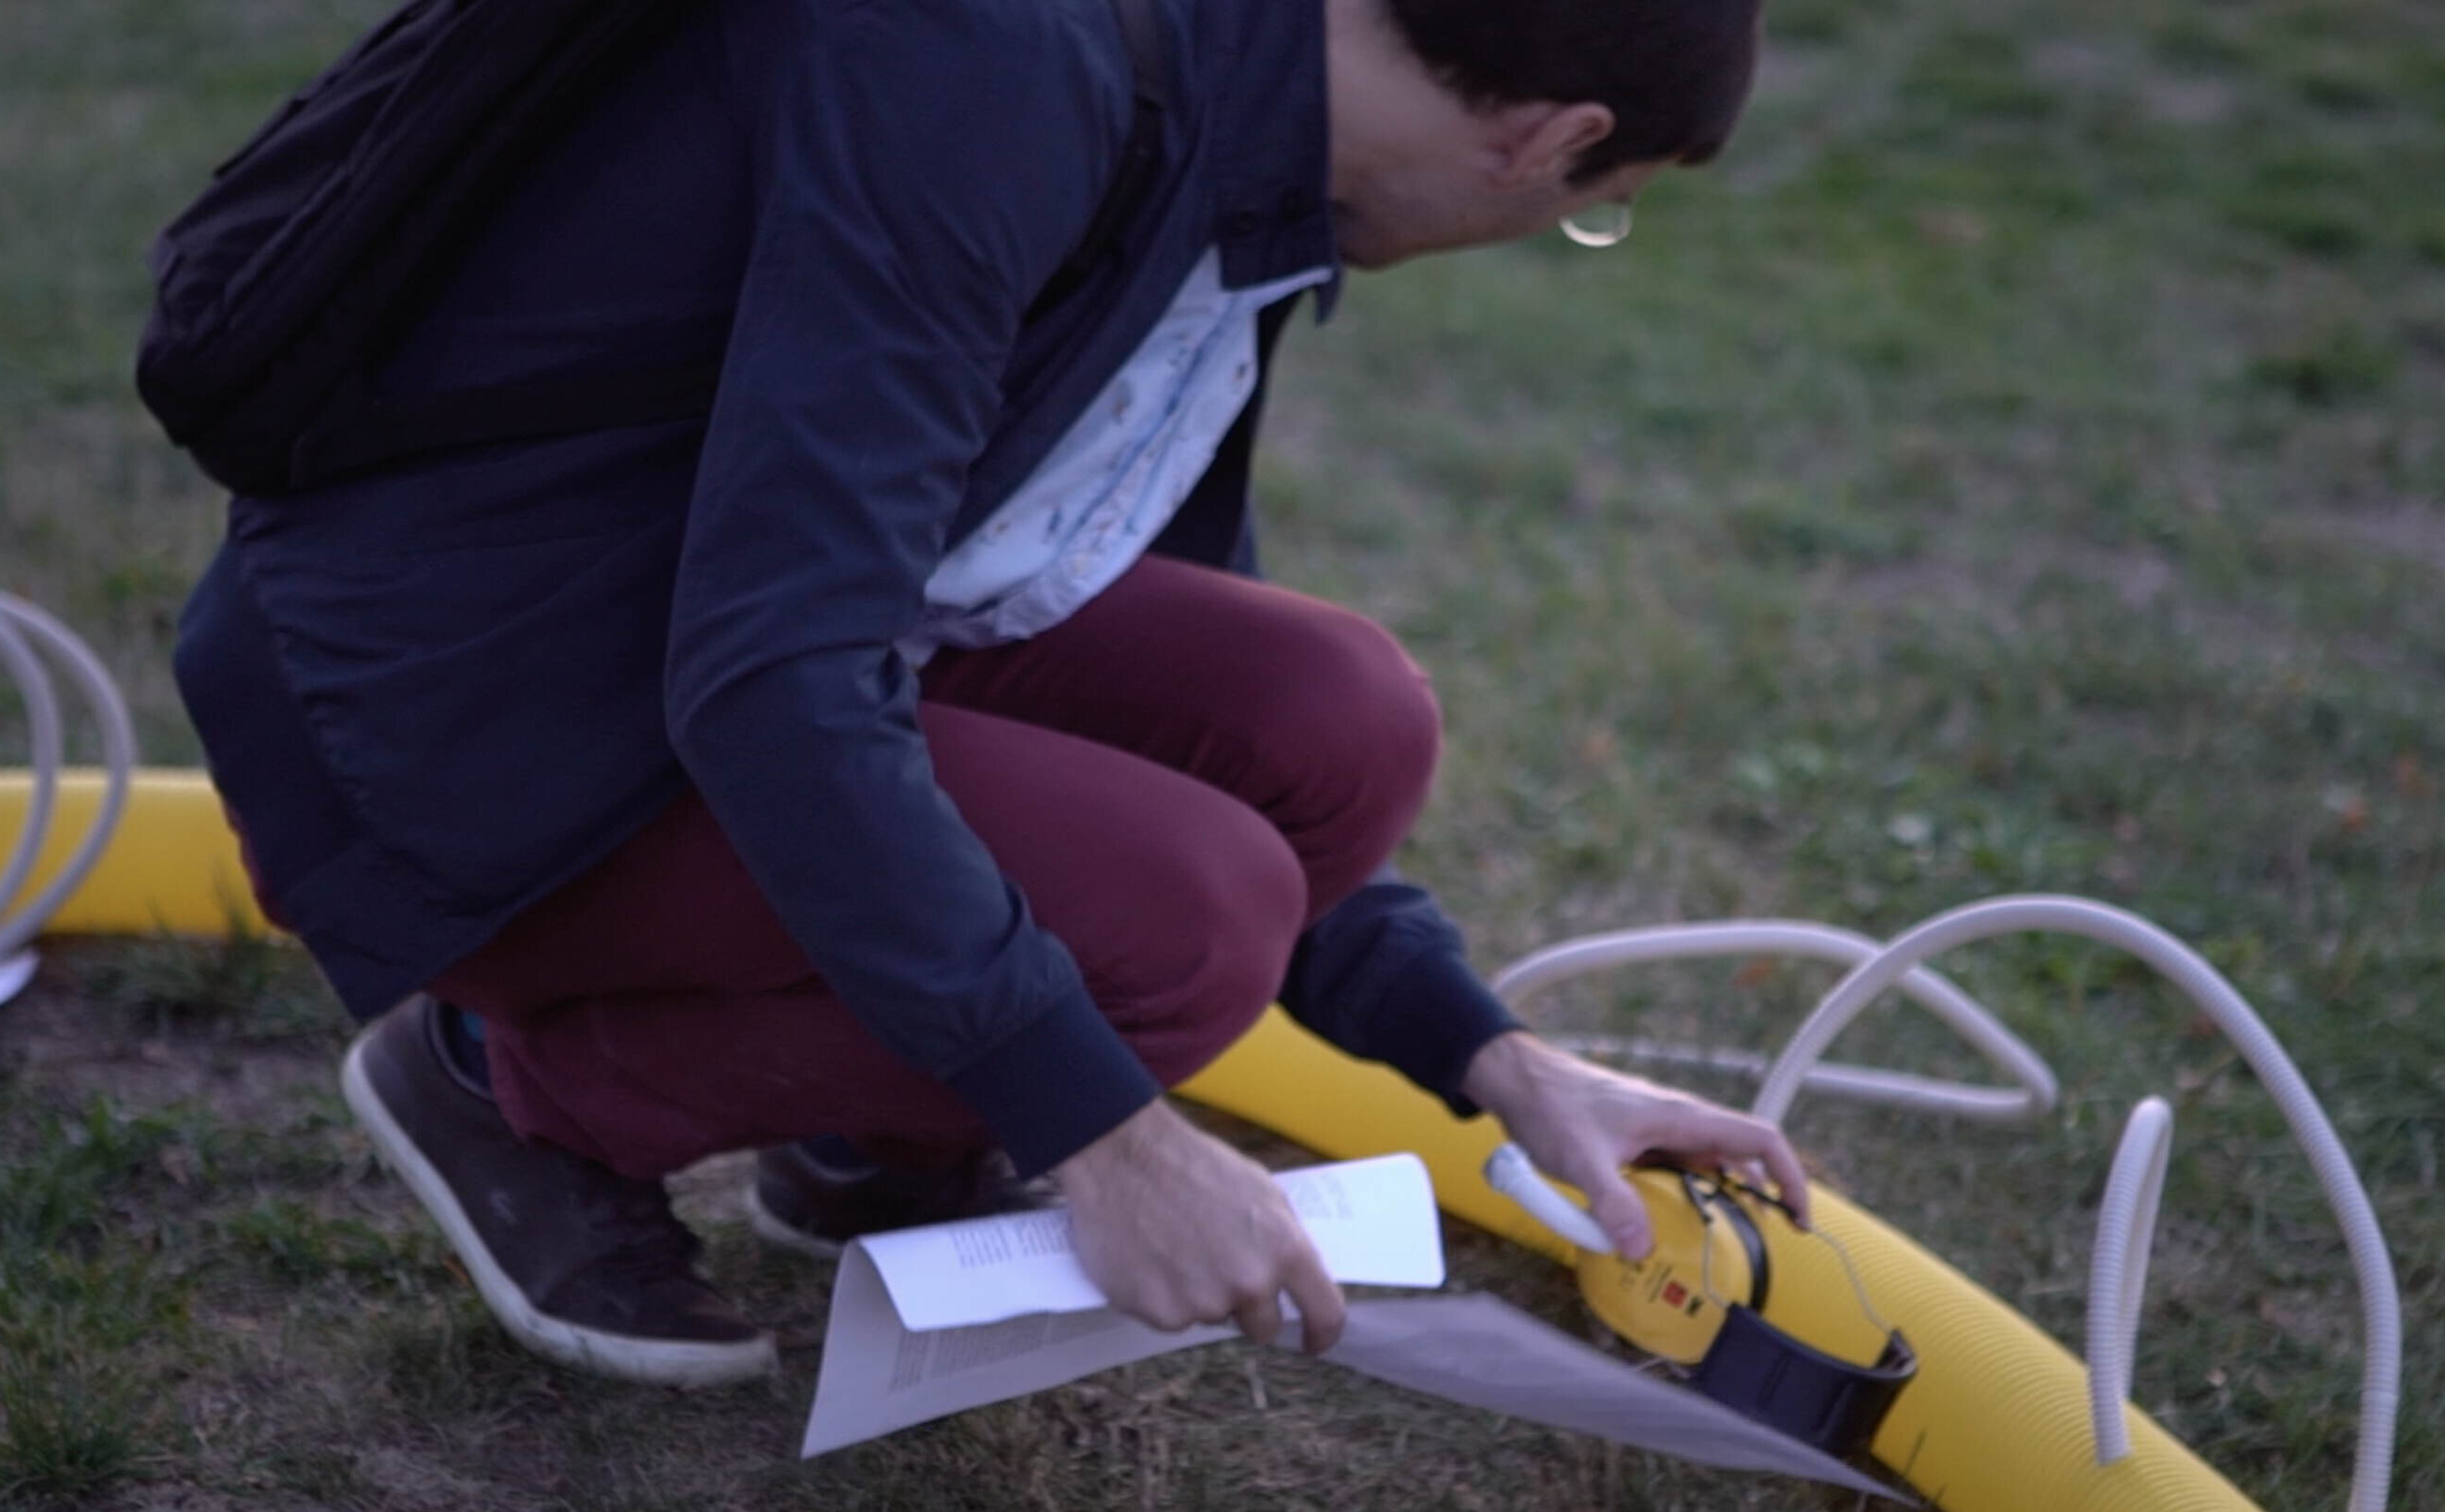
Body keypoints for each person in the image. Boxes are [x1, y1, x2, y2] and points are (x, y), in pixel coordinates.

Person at [172, 0, 1809, 1387]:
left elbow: (1086, 635)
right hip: (454, 714)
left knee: (1335, 721)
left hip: (677, 636)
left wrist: (1493, 1060)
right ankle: (504, 1087)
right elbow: (773, 674)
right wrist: (1110, 1135)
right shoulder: (1005, 70)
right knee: (1185, 920)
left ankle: (868, 1144)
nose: (1562, 225)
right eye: (1605, 202)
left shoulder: (1234, 131)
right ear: (1547, 139)